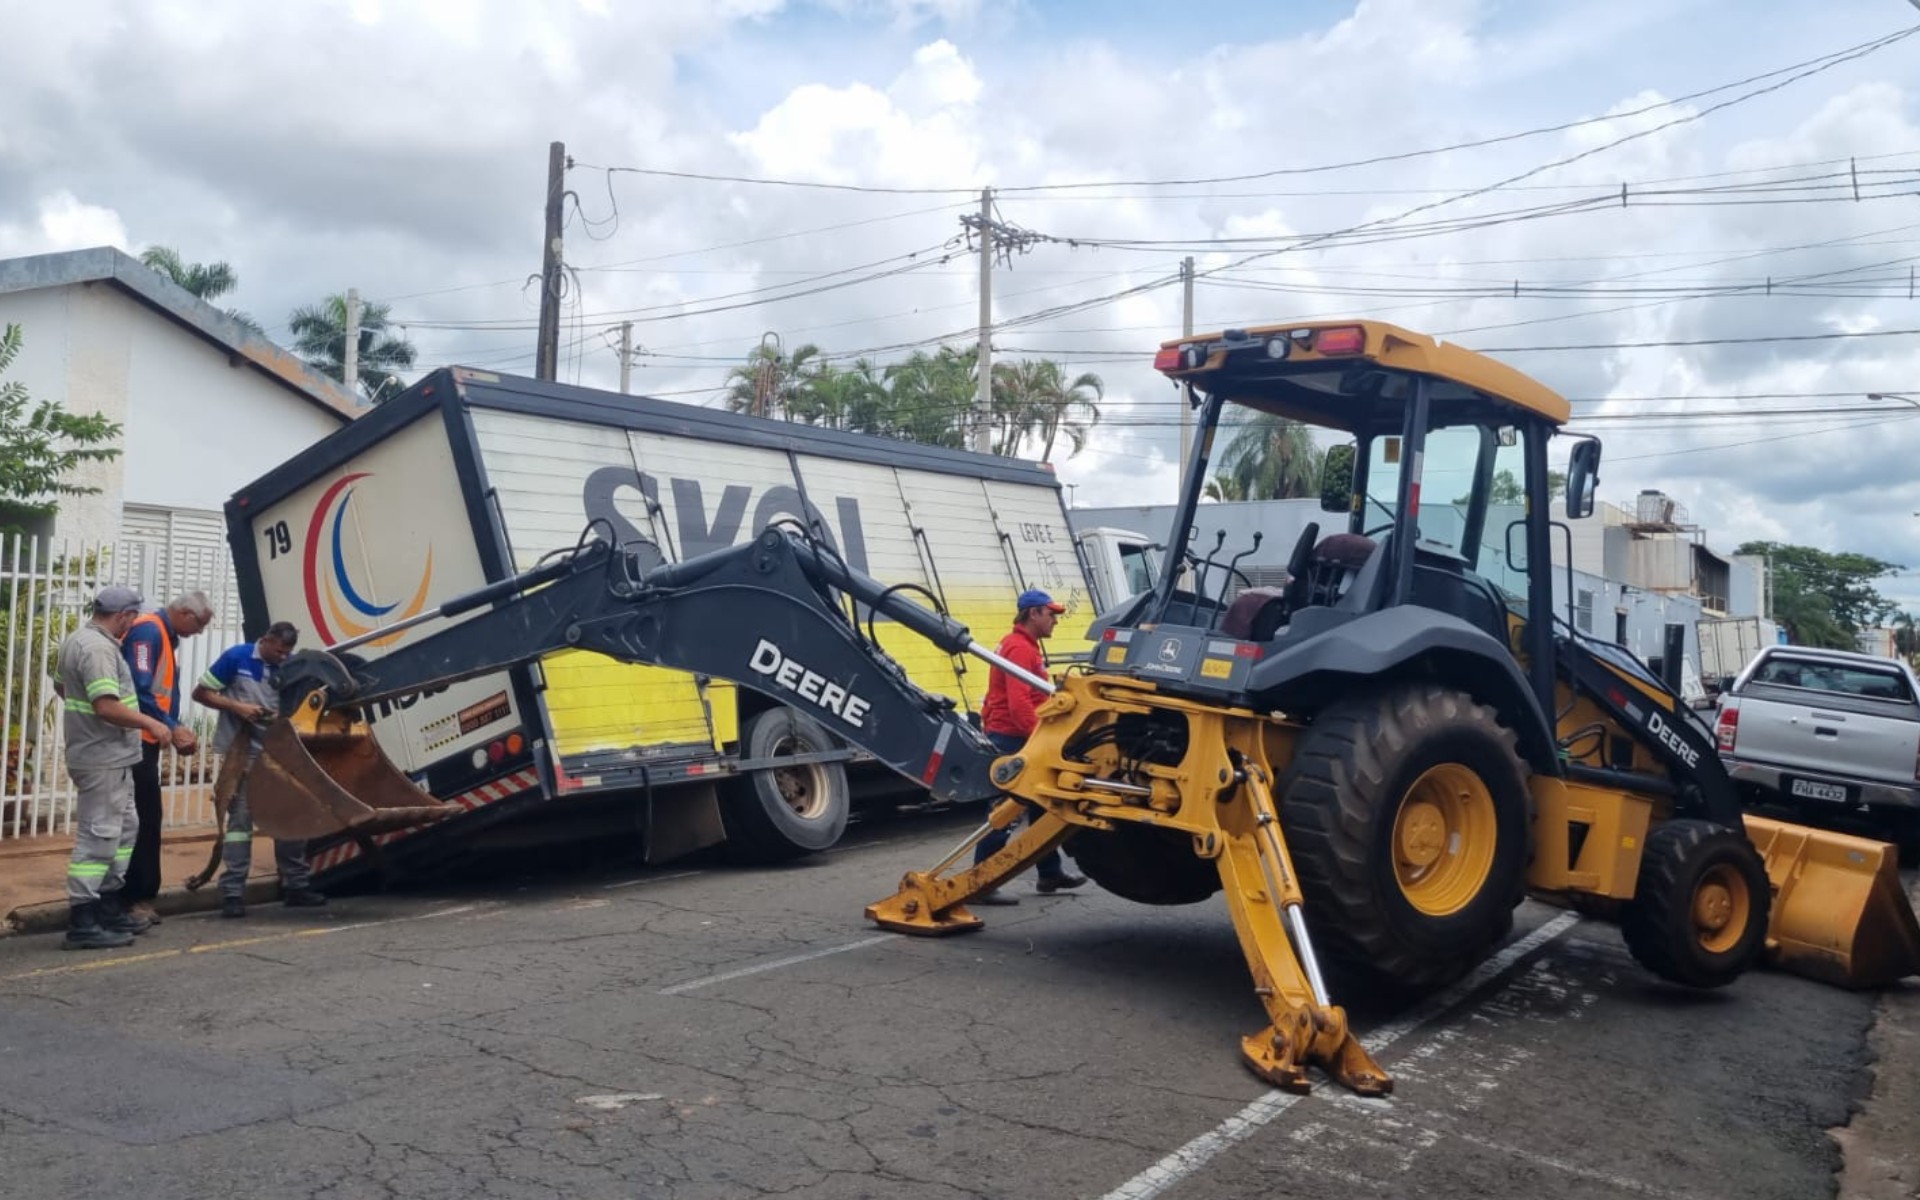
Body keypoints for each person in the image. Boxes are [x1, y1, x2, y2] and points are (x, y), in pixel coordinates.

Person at [54, 586, 176, 950]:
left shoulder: (81, 641)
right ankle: (83, 918)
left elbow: (63, 687)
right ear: (123, 616)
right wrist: (151, 724)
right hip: (101, 757)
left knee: (124, 829)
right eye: (133, 618)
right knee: (99, 835)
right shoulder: (98, 649)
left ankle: (108, 905)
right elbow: (105, 706)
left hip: (111, 755)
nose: (133, 625)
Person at [191, 622, 327, 917]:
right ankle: (232, 894)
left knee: (292, 820)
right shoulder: (236, 658)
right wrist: (237, 707)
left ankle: (296, 886)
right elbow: (200, 694)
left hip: (281, 754)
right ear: (265, 640)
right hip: (243, 756)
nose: (282, 657)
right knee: (240, 825)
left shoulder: (293, 666)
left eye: (287, 653)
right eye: (278, 651)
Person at [970, 588, 1088, 905]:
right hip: (1013, 737)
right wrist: (1042, 739)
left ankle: (1049, 873)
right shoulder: (1019, 649)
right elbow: (1019, 703)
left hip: (1017, 734)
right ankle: (981, 882)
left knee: (1041, 805)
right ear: (1033, 614)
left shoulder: (1024, 646)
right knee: (1004, 810)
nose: (1055, 621)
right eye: (1051, 614)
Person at [120, 591, 210, 924]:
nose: (199, 632)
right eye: (199, 625)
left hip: (146, 737)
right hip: (137, 739)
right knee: (143, 818)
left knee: (145, 816)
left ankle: (136, 894)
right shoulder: (149, 631)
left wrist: (171, 727)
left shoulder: (161, 635)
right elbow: (139, 689)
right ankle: (135, 896)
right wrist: (171, 727)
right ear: (185, 613)